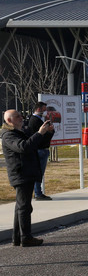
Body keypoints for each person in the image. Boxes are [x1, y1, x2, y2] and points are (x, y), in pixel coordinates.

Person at [2, 109, 54, 247]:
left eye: (21, 115)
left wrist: (48, 132)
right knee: (24, 207)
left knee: (21, 206)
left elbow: (37, 143)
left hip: (27, 172)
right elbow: (24, 147)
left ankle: (17, 237)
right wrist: (39, 133)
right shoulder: (8, 135)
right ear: (9, 121)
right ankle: (26, 237)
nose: (21, 118)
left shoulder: (20, 132)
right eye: (17, 116)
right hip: (21, 174)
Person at [26, 101, 55, 200]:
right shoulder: (35, 121)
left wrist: (50, 131)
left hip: (42, 149)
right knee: (39, 172)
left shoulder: (38, 120)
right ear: (38, 109)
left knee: (39, 172)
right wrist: (49, 131)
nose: (46, 111)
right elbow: (40, 137)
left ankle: (38, 192)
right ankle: (38, 193)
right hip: (40, 150)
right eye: (44, 109)